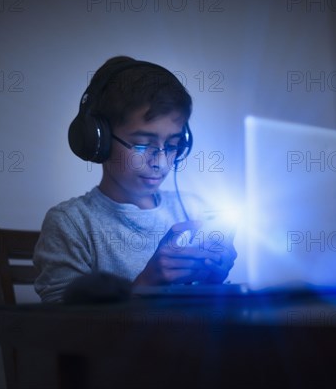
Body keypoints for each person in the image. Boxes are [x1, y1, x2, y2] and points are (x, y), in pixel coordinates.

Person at [33, 56, 237, 302]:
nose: (160, 162)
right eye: (141, 145)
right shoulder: (71, 224)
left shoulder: (195, 210)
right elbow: (61, 330)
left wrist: (211, 281)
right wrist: (144, 286)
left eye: (173, 145)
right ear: (99, 140)